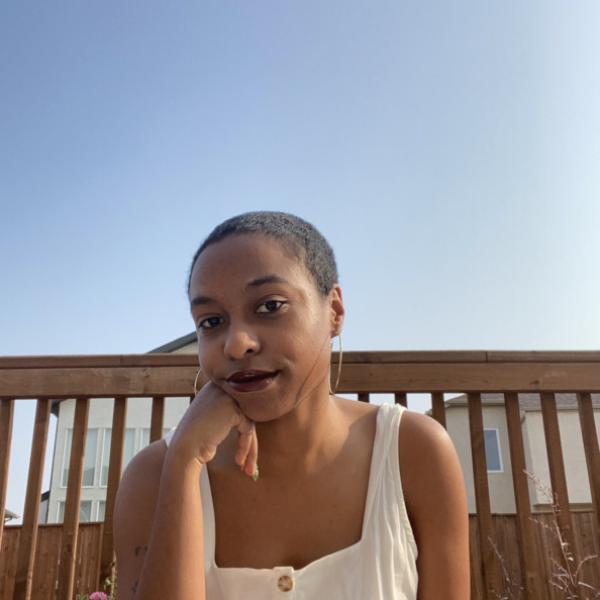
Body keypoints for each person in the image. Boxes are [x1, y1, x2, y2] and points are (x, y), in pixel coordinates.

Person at [113, 210, 470, 599]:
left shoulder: (412, 451)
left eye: (270, 306)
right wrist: (183, 463)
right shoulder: (153, 476)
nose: (236, 343)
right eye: (211, 321)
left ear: (334, 311)